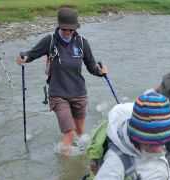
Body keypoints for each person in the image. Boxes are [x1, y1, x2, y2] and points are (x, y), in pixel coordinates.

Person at [16, 7, 107, 156]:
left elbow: (92, 67)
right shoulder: (50, 41)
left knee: (80, 133)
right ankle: (65, 172)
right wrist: (23, 57)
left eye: (71, 30)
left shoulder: (82, 43)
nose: (68, 32)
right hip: (58, 94)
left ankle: (81, 167)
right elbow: (30, 54)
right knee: (70, 133)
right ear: (59, 26)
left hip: (79, 94)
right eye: (65, 29)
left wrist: (101, 72)